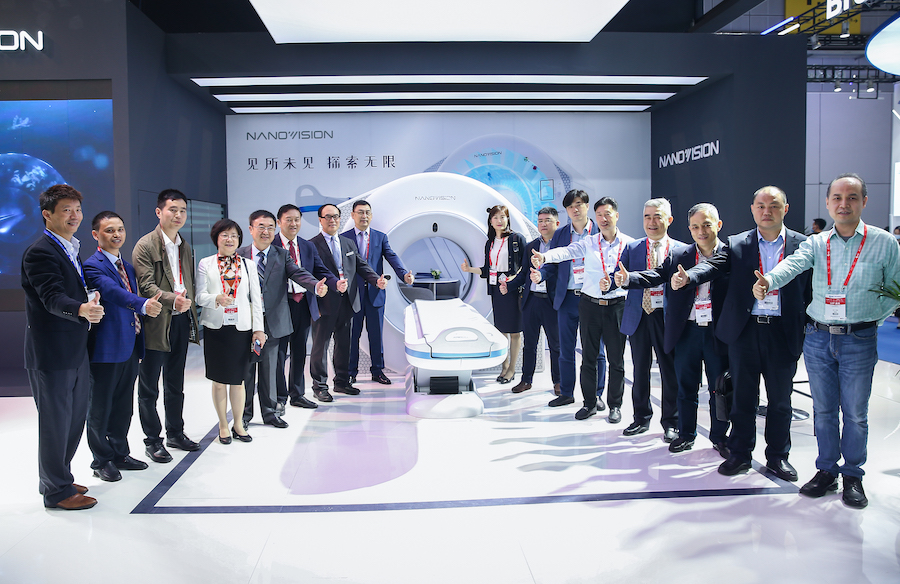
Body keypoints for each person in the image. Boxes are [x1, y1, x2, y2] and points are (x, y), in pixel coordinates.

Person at [754, 174, 899, 508]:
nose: (843, 204)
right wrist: (769, 281)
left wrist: (870, 320)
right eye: (837, 198)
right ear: (828, 203)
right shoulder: (817, 243)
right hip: (818, 338)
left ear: (864, 201)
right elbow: (793, 264)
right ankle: (827, 470)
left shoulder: (884, 242)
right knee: (823, 411)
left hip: (859, 339)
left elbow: (895, 289)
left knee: (856, 413)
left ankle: (853, 475)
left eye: (851, 197)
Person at [673, 186, 810, 482]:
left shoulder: (802, 245)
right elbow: (714, 266)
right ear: (752, 209)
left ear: (785, 209)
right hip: (745, 333)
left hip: (782, 333)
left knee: (780, 401)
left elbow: (809, 290)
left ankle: (778, 456)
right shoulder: (738, 243)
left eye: (773, 206)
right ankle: (740, 454)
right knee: (742, 398)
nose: (766, 211)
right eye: (760, 206)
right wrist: (690, 277)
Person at [615, 203, 730, 454]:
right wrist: (629, 279)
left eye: (706, 225)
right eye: (695, 227)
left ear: (718, 225)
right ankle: (686, 433)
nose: (701, 231)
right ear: (689, 229)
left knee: (718, 388)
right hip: (687, 330)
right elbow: (657, 274)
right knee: (686, 386)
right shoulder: (681, 255)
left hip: (717, 332)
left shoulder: (730, 253)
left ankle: (720, 437)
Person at [22, 184, 103, 509]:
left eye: (77, 210)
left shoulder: (70, 248)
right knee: (56, 422)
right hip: (53, 352)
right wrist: (81, 308)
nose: (74, 216)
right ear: (47, 214)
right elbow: (51, 296)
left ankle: (59, 478)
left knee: (73, 417)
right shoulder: (40, 252)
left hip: (74, 347)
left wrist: (87, 299)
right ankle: (56, 491)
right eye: (66, 210)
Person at [532, 197, 634, 422]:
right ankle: (589, 403)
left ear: (617, 216)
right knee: (588, 357)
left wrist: (621, 282)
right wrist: (545, 256)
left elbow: (636, 273)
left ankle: (614, 405)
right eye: (600, 215)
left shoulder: (629, 244)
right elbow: (566, 252)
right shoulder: (589, 242)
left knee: (616, 360)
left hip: (617, 306)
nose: (604, 219)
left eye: (608, 214)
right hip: (590, 305)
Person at [84, 211, 162, 482]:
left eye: (120, 229)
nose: (116, 234)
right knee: (100, 407)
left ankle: (120, 453)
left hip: (129, 345)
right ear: (95, 235)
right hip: (106, 348)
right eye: (109, 230)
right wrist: (143, 304)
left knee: (123, 406)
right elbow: (112, 292)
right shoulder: (92, 266)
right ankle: (101, 460)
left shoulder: (127, 267)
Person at [239, 210, 329, 429]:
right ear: (250, 229)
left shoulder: (281, 254)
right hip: (246, 321)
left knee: (270, 369)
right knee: (246, 371)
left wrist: (315, 285)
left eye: (270, 227)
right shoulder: (240, 255)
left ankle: (270, 412)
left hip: (273, 321)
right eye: (261, 227)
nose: (266, 231)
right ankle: (244, 415)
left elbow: (298, 273)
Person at [133, 189, 201, 463]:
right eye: (173, 209)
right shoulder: (145, 245)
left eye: (183, 210)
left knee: (175, 381)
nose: (178, 215)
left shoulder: (185, 246)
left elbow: (189, 282)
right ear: (159, 212)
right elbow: (146, 285)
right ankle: (152, 440)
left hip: (180, 319)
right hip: (155, 322)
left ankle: (175, 432)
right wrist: (174, 300)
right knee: (149, 385)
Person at [616, 198, 686, 440]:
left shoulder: (682, 250)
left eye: (657, 216)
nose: (652, 222)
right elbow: (620, 276)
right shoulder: (633, 248)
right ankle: (641, 418)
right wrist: (613, 280)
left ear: (669, 220)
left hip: (667, 317)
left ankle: (672, 422)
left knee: (669, 371)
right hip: (639, 316)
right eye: (647, 217)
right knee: (640, 370)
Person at [533, 190, 607, 406]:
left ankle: (596, 395)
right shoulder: (561, 234)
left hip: (593, 298)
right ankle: (566, 393)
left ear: (587, 206)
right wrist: (541, 275)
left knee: (595, 350)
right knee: (565, 349)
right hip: (567, 298)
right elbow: (553, 263)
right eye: (570, 206)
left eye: (579, 204)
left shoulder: (599, 231)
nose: (575, 209)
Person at [196, 219, 266, 444]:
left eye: (234, 236)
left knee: (239, 380)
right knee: (218, 381)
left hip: (241, 328)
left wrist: (259, 329)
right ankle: (223, 425)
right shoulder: (206, 263)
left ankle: (238, 423)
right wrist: (216, 298)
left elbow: (256, 299)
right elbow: (199, 296)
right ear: (216, 238)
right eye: (225, 235)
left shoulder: (248, 265)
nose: (230, 239)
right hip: (216, 328)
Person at [310, 204, 385, 402]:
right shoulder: (312, 245)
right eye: (328, 217)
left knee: (344, 344)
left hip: (348, 301)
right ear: (320, 220)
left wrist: (375, 280)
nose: (332, 220)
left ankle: (342, 382)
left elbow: (361, 265)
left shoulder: (347, 243)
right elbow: (308, 274)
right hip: (324, 302)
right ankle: (319, 386)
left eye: (335, 216)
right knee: (321, 346)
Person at [342, 200, 414, 385]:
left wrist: (404, 274)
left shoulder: (380, 237)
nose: (364, 216)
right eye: (360, 212)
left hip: (376, 293)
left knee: (376, 335)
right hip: (353, 295)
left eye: (367, 212)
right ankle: (350, 372)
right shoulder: (344, 238)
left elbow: (391, 256)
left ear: (371, 216)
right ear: (353, 215)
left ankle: (377, 371)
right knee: (352, 336)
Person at [273, 204, 334, 410]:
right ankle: (279, 397)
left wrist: (335, 283)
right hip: (280, 306)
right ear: (279, 222)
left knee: (299, 351)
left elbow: (321, 270)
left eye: (297, 219)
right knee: (279, 354)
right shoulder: (271, 245)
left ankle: (297, 394)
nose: (293, 223)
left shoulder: (307, 246)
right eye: (288, 219)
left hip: (303, 304)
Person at [461, 205, 527, 384]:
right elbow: (487, 270)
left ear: (507, 219)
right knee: (500, 330)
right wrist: (469, 269)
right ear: (490, 221)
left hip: (512, 288)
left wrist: (513, 279)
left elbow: (525, 265)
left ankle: (512, 369)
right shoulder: (490, 243)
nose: (500, 221)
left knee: (515, 331)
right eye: (496, 217)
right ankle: (504, 366)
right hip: (497, 288)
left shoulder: (517, 239)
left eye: (503, 217)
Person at [502, 207, 562, 395]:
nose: (543, 224)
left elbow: (560, 272)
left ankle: (558, 382)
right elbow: (523, 275)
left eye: (547, 220)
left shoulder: (562, 248)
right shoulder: (531, 246)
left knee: (555, 345)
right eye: (540, 221)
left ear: (557, 223)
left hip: (552, 302)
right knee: (529, 344)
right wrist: (509, 285)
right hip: (531, 301)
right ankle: (526, 380)